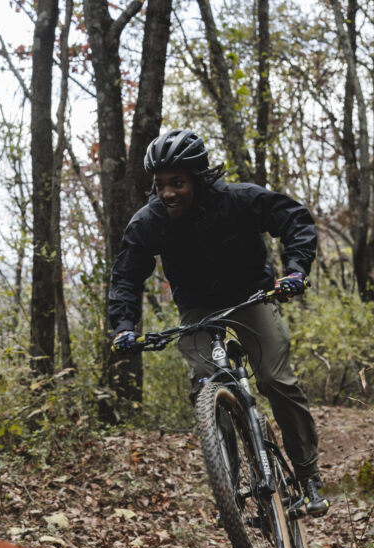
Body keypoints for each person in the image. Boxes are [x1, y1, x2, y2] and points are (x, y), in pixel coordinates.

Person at [108, 129, 329, 516]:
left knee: (276, 380)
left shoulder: (238, 200)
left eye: (177, 183)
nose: (167, 193)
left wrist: (295, 270)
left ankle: (308, 476)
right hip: (197, 311)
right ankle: (228, 477)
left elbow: (294, 218)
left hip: (251, 297)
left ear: (198, 177)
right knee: (207, 383)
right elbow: (126, 274)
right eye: (160, 185)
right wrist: (124, 326)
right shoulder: (150, 221)